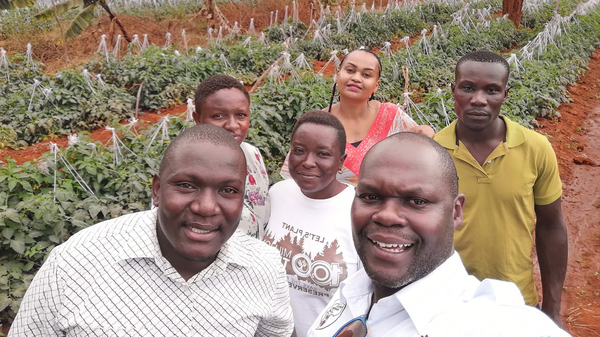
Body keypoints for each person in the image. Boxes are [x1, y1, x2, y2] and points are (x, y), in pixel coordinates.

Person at [9, 125, 294, 337]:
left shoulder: (264, 268)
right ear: (157, 190)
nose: (207, 207)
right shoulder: (74, 264)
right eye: (186, 185)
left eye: (228, 190)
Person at [306, 133, 569, 336]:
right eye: (371, 196)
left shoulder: (491, 322)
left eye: (416, 201)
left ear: (456, 212)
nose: (387, 215)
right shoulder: (351, 291)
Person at [433, 50, 568, 326]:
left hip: (516, 302)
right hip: (447, 302)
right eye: (468, 88)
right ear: (453, 90)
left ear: (505, 94)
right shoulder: (433, 152)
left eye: (492, 90)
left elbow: (551, 227)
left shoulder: (536, 148)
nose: (479, 99)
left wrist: (553, 309)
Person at [263, 111, 361, 337]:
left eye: (323, 154)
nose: (307, 162)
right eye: (298, 151)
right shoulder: (277, 195)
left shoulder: (358, 212)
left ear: (340, 162)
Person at [281, 48, 434, 185]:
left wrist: (428, 132)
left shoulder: (392, 117)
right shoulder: (318, 124)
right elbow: (294, 175)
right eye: (350, 70)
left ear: (376, 85)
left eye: (366, 74)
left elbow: (423, 150)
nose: (356, 78)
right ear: (337, 75)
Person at [193, 74, 269, 239]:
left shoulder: (253, 155)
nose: (233, 125)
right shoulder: (184, 165)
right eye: (219, 116)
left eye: (241, 115)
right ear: (197, 119)